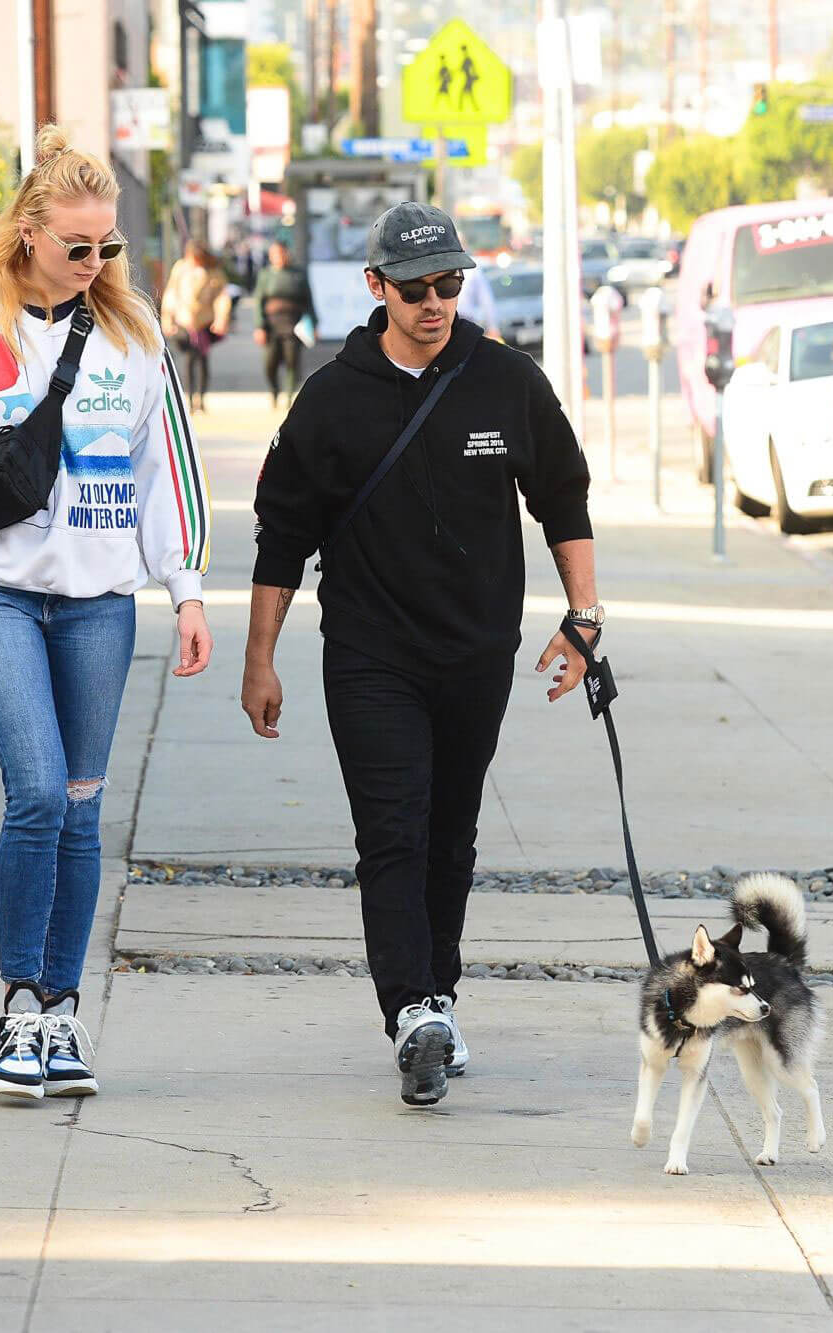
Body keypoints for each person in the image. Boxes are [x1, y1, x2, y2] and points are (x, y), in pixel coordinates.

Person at [0, 125, 213, 1102]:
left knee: (80, 805)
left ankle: (64, 1016)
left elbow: (163, 475)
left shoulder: (133, 333)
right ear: (27, 232)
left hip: (101, 605)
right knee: (34, 789)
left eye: (107, 246)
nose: (96, 262)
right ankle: (19, 1006)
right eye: (78, 245)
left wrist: (185, 588)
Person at [241, 202, 599, 1108]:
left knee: (451, 835)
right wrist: (261, 658)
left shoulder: (506, 380)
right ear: (376, 288)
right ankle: (410, 1012)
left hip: (476, 653)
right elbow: (282, 534)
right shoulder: (331, 396)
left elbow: (563, 496)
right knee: (392, 831)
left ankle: (437, 994)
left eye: (449, 283)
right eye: (416, 288)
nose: (435, 302)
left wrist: (584, 616)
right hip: (369, 655)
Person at [160, 240, 232, 413]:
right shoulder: (180, 268)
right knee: (189, 360)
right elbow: (171, 293)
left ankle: (201, 397)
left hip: (204, 322)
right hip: (184, 321)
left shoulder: (213, 272)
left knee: (202, 359)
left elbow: (222, 297)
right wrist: (167, 319)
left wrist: (221, 318)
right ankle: (190, 398)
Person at [253, 241, 317, 409]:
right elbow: (259, 300)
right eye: (275, 254)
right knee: (270, 363)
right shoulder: (266, 275)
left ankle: (289, 396)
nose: (279, 258)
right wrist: (259, 326)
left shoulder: (298, 274)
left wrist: (314, 325)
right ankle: (274, 390)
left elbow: (309, 301)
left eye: (281, 254)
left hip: (293, 324)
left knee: (292, 361)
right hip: (271, 325)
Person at [456, 262, 502, 341]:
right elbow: (486, 298)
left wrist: (492, 326)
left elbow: (485, 299)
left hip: (466, 321)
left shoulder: (472, 269)